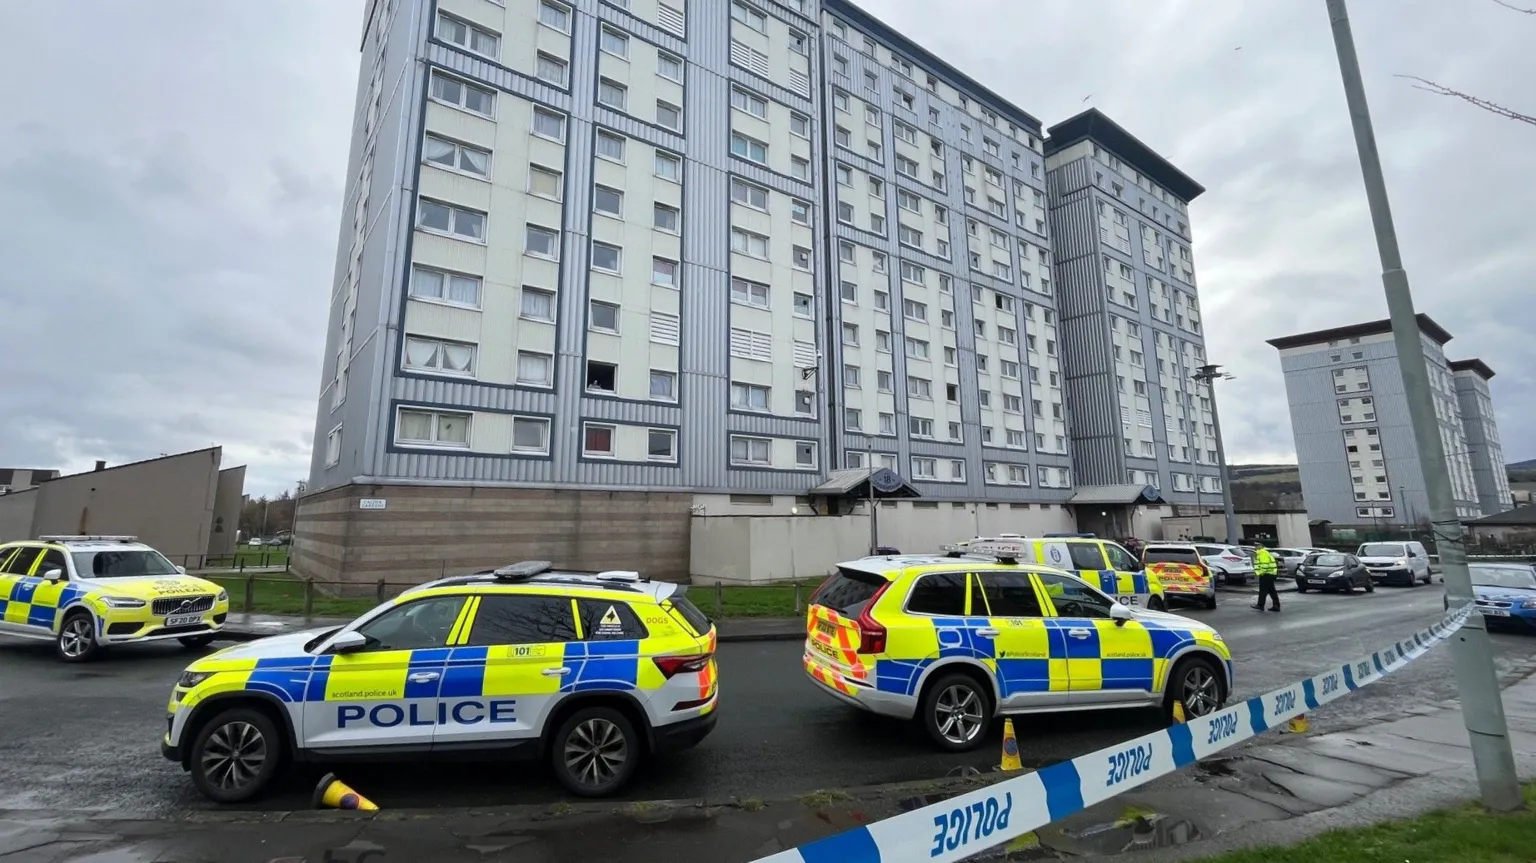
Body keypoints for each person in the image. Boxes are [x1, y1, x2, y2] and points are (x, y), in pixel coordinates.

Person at [1251, 542, 1280, 612]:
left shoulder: (1262, 553)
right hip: (1270, 574)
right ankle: (1276, 606)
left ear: (1261, 546)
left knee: (1263, 590)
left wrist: (1260, 573)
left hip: (1266, 574)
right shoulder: (1264, 553)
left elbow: (1264, 565)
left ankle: (1260, 605)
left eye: (1257, 546)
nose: (1255, 547)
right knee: (1272, 591)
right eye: (1255, 546)